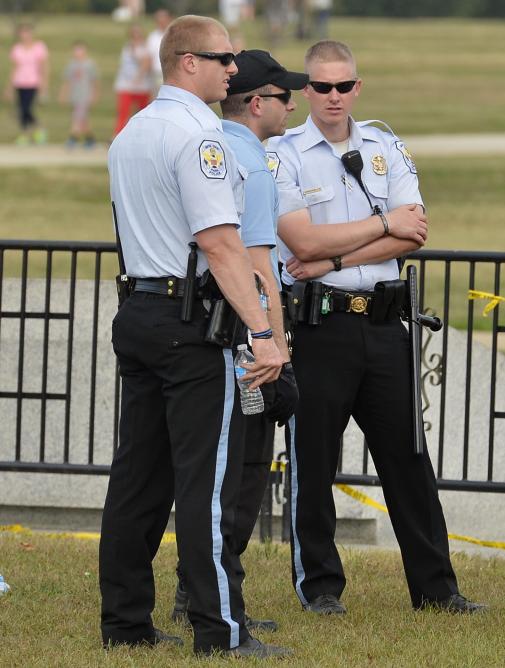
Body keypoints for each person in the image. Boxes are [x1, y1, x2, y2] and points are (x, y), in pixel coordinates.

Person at [268, 39, 484, 616]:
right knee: (314, 460)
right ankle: (319, 588)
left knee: (409, 459)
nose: (333, 97)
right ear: (305, 90)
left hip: (386, 325)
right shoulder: (285, 154)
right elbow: (302, 242)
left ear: (358, 88)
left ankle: (437, 591)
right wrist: (379, 225)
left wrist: (337, 258)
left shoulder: (386, 147)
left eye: (344, 86)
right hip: (322, 328)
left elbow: (415, 232)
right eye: (320, 86)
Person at [100, 14, 290, 658]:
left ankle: (124, 623)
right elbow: (220, 242)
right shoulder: (201, 136)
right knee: (204, 485)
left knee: (137, 478)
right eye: (223, 58)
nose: (233, 70)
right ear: (188, 61)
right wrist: (263, 332)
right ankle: (221, 632)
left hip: (141, 309)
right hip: (191, 321)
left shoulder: (131, 133)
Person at [169, 48, 306, 634]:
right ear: (256, 104)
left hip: (211, 325)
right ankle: (212, 597)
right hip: (245, 332)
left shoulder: (226, 147)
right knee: (241, 472)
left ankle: (208, 592)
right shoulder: (245, 157)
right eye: (282, 97)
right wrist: (274, 339)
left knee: (230, 470)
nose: (292, 105)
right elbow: (255, 258)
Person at [5, 23, 49, 145]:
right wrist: (9, 87)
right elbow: (14, 68)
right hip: (19, 82)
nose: (25, 35)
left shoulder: (39, 47)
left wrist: (44, 86)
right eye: (22, 33)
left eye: (27, 32)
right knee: (22, 110)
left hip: (33, 82)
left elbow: (43, 67)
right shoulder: (17, 49)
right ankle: (25, 134)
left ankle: (39, 129)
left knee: (26, 108)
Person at [113, 24, 153, 136]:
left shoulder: (145, 48)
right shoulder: (127, 47)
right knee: (123, 112)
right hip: (125, 85)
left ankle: (143, 135)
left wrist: (138, 77)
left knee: (142, 113)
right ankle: (118, 134)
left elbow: (146, 64)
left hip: (142, 86)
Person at [58, 40, 99, 149]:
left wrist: (95, 95)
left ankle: (73, 138)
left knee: (77, 117)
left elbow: (94, 81)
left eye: (80, 49)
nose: (77, 52)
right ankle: (90, 139)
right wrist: (63, 94)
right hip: (75, 95)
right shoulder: (71, 65)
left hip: (85, 95)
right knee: (83, 119)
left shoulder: (89, 64)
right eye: (75, 50)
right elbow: (67, 81)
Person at [146, 8, 174, 93]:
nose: (161, 21)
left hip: (173, 74)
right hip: (157, 74)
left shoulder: (175, 35)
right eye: (159, 19)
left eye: (163, 18)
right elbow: (149, 57)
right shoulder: (152, 37)